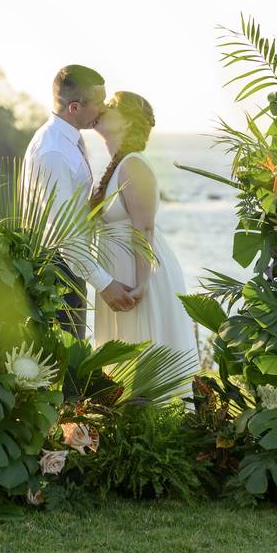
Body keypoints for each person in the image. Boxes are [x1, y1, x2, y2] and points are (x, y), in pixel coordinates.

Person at [22, 65, 136, 339]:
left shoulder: (68, 141)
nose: (104, 108)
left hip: (69, 270)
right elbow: (63, 234)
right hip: (54, 275)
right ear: (74, 108)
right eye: (99, 103)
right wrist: (105, 285)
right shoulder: (53, 151)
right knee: (63, 370)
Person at [89, 91, 197, 358]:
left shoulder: (133, 164)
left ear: (125, 122)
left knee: (145, 361)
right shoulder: (117, 166)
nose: (101, 108)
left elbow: (144, 228)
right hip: (118, 272)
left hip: (140, 276)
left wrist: (143, 284)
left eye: (110, 106)